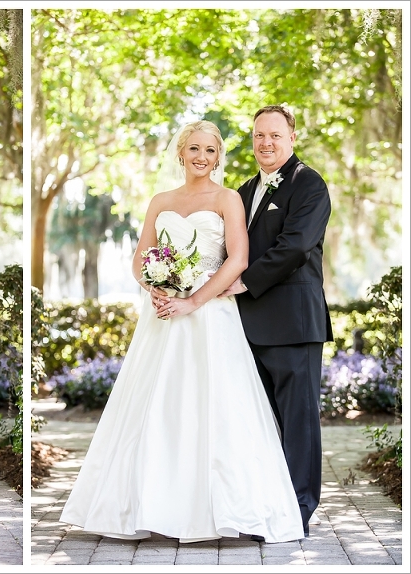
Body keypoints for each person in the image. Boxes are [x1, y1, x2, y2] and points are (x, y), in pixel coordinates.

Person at [59, 120, 304, 543]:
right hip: (163, 315)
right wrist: (157, 287)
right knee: (158, 405)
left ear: (219, 156)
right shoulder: (162, 200)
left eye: (210, 150)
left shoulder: (229, 199)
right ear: (180, 152)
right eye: (194, 149)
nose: (202, 157)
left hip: (211, 315)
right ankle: (150, 506)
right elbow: (140, 258)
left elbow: (237, 260)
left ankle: (221, 511)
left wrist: (193, 299)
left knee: (214, 406)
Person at [219, 105, 332, 538]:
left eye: (274, 135)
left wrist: (244, 283)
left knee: (298, 420)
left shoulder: (309, 183)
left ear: (292, 138)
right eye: (258, 136)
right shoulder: (243, 190)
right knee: (260, 421)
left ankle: (299, 510)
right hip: (246, 326)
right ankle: (265, 505)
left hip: (293, 324)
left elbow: (296, 246)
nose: (265, 143)